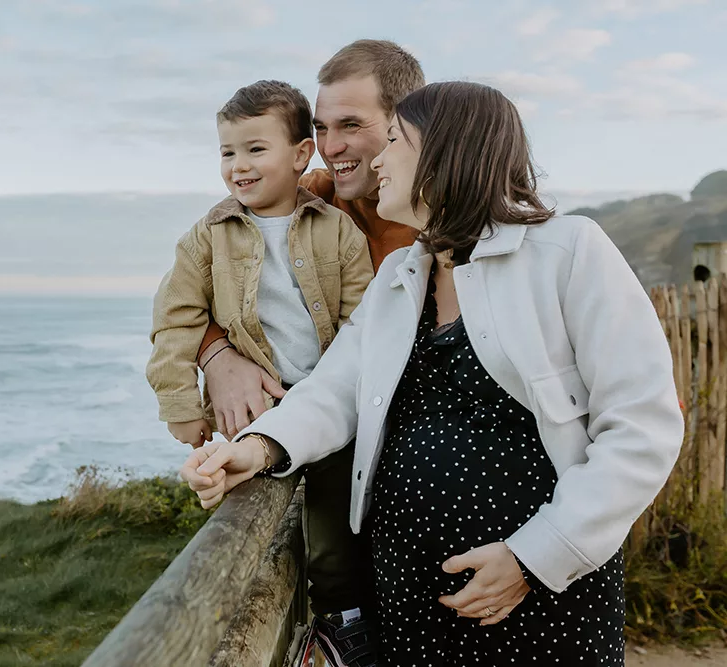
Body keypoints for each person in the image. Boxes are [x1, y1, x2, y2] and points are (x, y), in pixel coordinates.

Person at [181, 81, 684, 665]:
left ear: (445, 153)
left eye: (392, 140)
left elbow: (643, 427)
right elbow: (337, 388)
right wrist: (258, 446)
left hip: (538, 597)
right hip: (408, 604)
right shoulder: (401, 274)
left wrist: (534, 558)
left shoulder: (568, 252)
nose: (376, 158)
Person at [194, 41, 425, 667]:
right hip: (338, 440)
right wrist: (218, 356)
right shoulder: (317, 198)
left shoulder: (441, 219)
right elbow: (217, 277)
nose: (330, 146)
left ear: (410, 125)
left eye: (352, 125)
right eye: (321, 128)